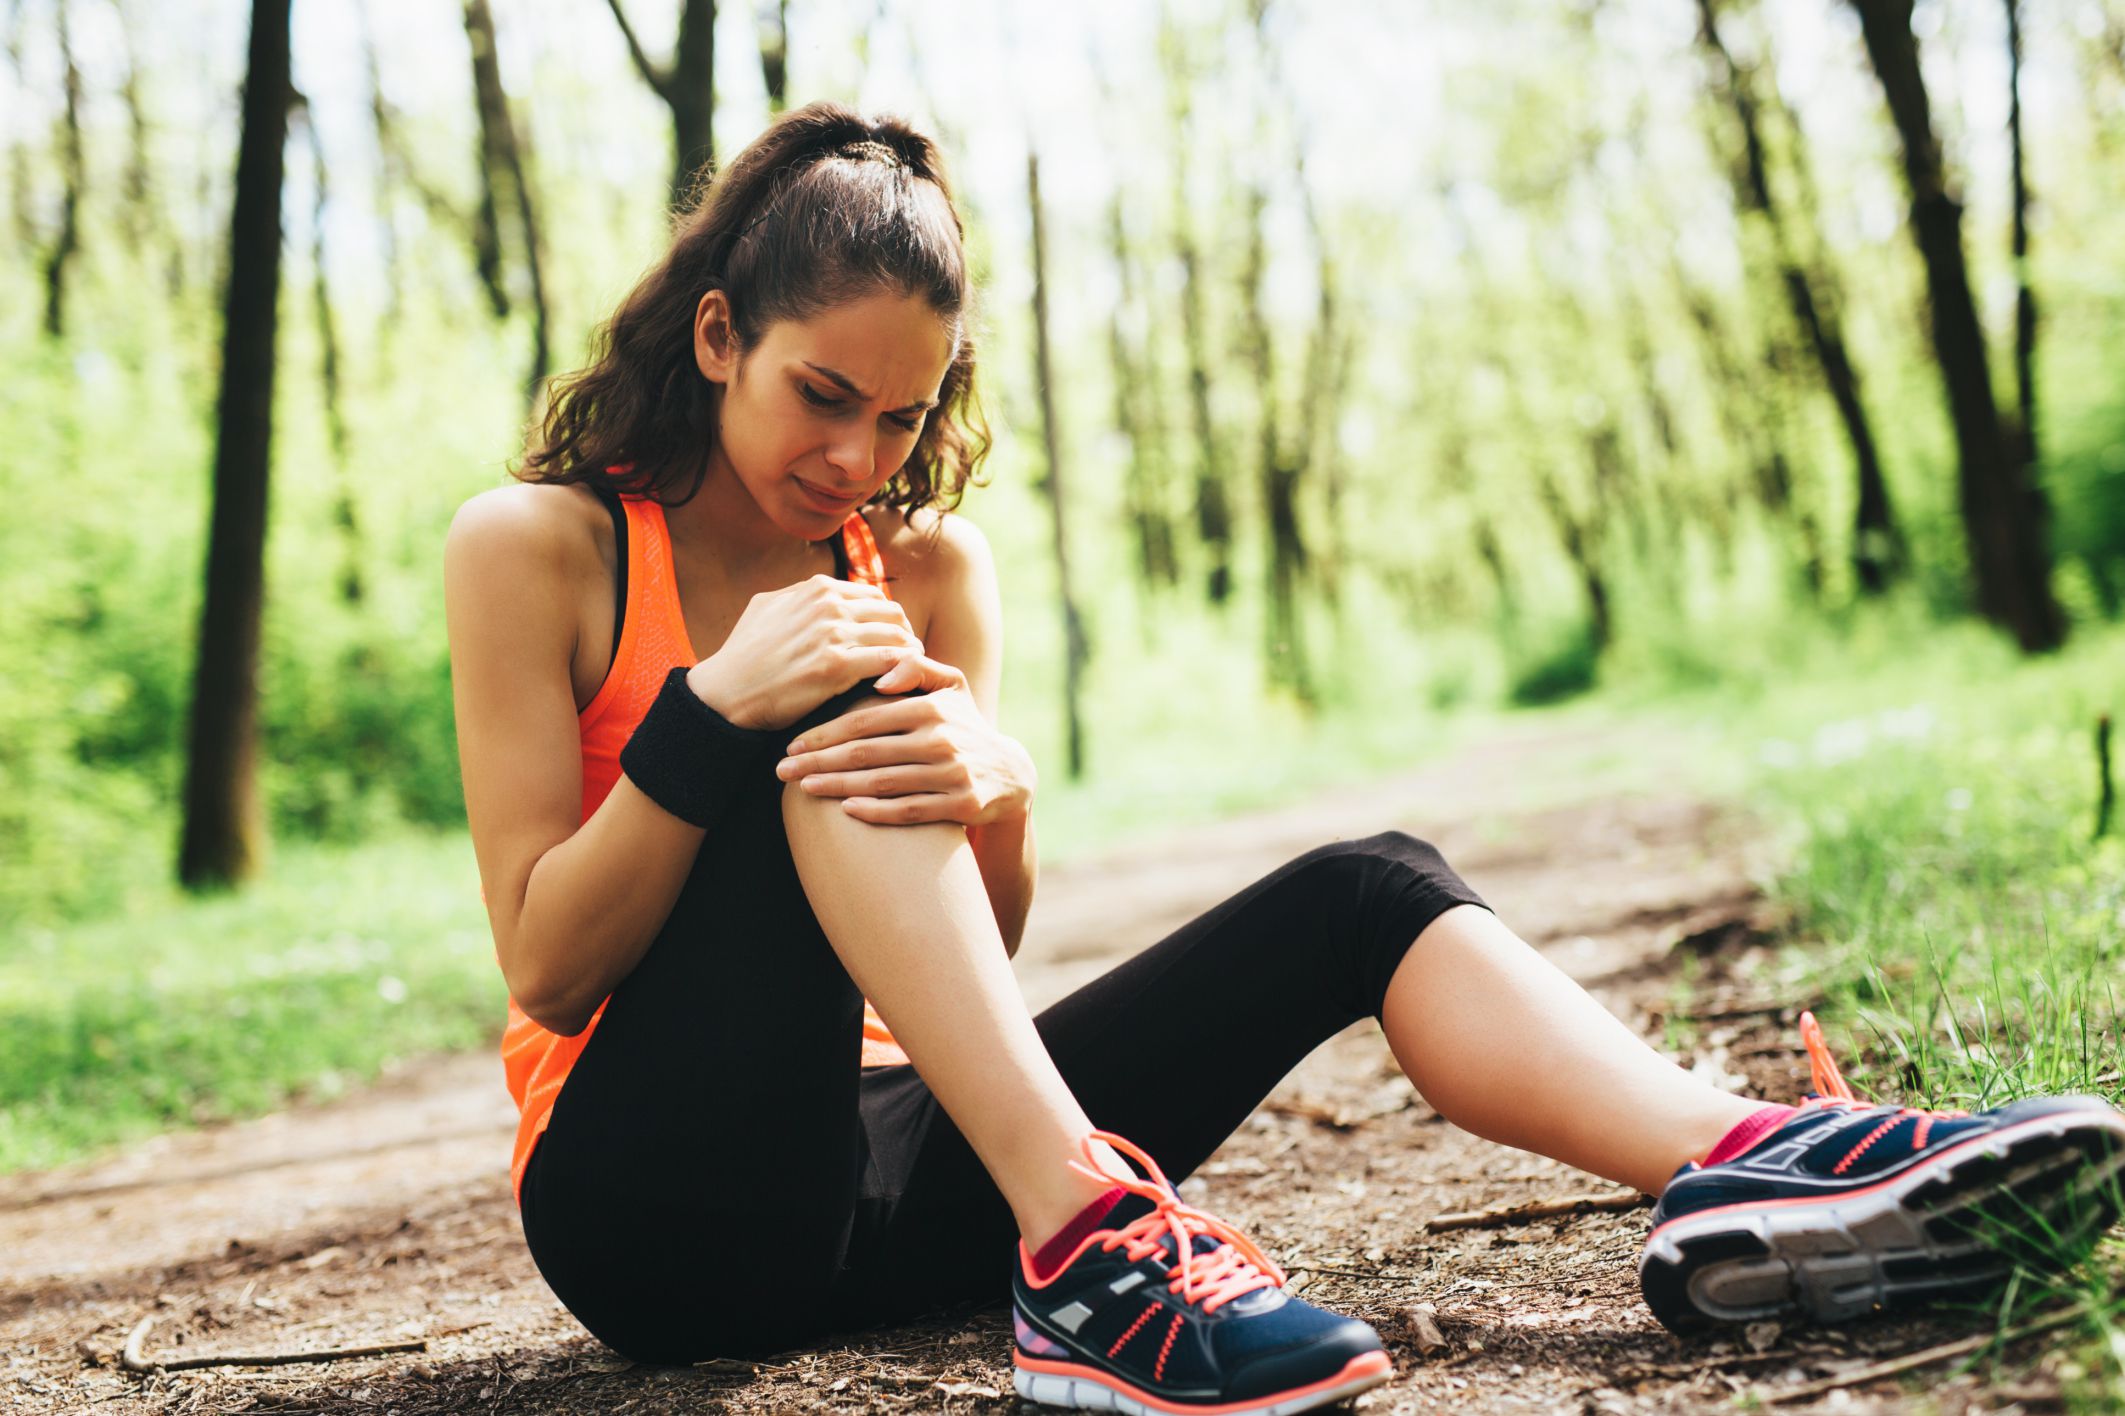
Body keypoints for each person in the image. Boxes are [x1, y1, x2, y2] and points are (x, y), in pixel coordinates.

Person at [443, 102, 2125, 1415]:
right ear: (721, 332)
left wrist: (998, 792)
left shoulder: (926, 575)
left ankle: (1744, 1164)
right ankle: (1094, 1246)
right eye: (823, 395)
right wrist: (710, 710)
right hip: (650, 1208)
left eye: (900, 416)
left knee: (1364, 886)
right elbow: (551, 963)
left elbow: (964, 950)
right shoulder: (544, 550)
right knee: (825, 717)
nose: (858, 455)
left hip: (893, 1169)